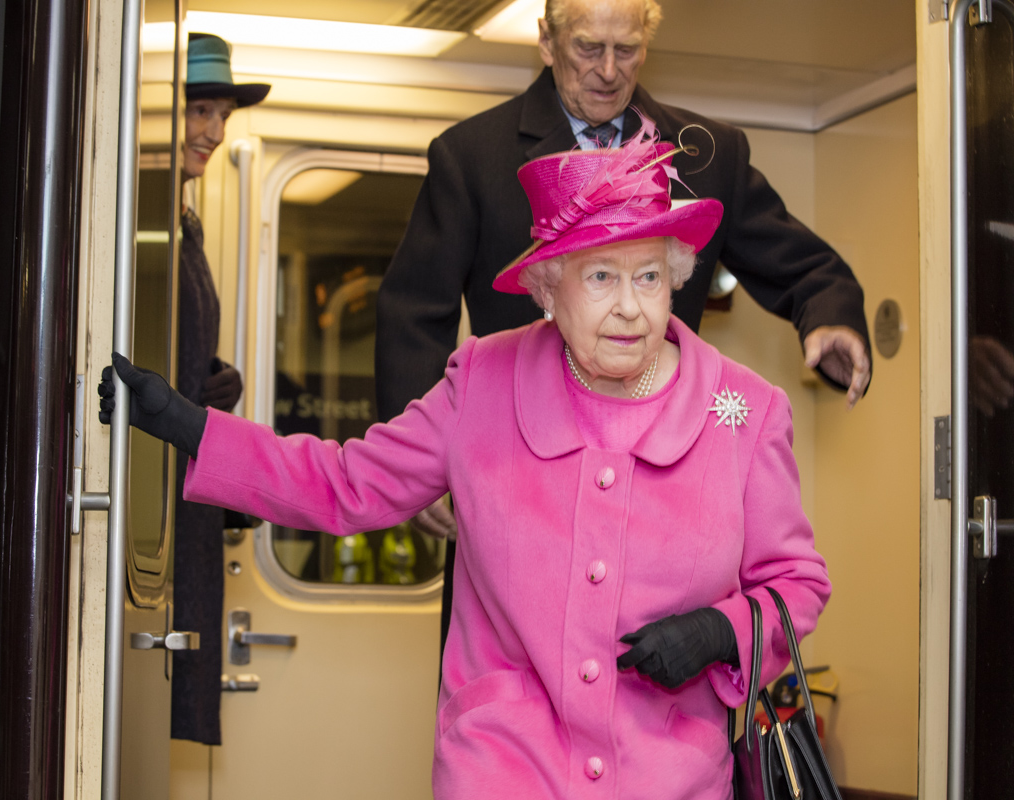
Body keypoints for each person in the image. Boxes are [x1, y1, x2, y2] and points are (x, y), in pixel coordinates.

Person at [99, 129, 831, 798]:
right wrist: (192, 428)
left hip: (673, 780)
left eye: (649, 277)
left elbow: (796, 585)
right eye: (601, 277)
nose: (631, 308)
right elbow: (347, 484)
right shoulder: (483, 381)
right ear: (549, 288)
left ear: (677, 280)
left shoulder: (745, 411)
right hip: (499, 772)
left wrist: (721, 632)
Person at [375, 0, 869, 649]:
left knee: (658, 683)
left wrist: (828, 316)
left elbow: (798, 261)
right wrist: (424, 466)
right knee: (506, 684)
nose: (608, 71)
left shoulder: (707, 154)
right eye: (587, 48)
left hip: (661, 482)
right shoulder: (473, 156)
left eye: (627, 50)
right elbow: (415, 308)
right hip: (518, 474)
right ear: (547, 42)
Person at [169, 33, 269, 746]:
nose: (212, 130)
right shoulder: (147, 225)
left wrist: (209, 380)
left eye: (221, 113)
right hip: (162, 492)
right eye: (198, 109)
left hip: (187, 474)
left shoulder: (184, 226)